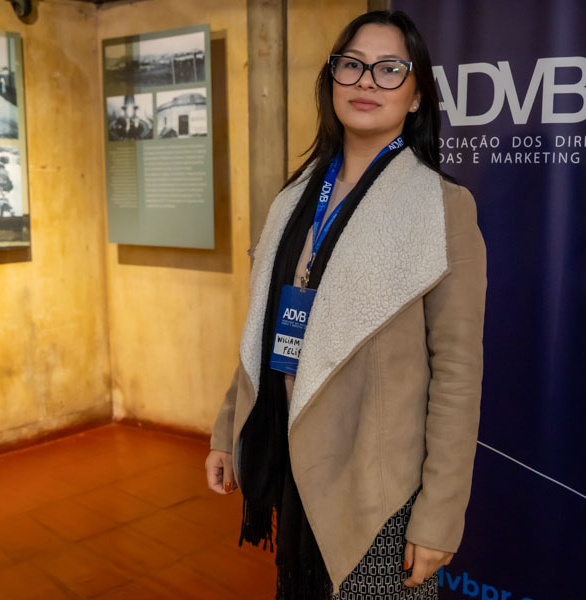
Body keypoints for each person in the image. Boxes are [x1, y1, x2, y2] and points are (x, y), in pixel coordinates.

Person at [205, 10, 486, 600]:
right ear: (331, 79)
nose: (366, 82)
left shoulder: (441, 207)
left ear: (416, 95)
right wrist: (228, 430)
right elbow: (263, 328)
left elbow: (458, 375)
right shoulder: (292, 198)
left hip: (378, 493)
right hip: (297, 463)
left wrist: (440, 514)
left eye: (390, 69)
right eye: (352, 65)